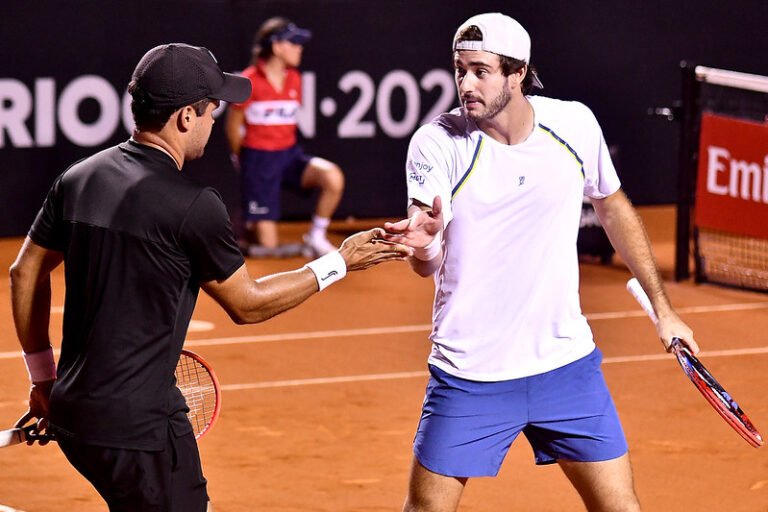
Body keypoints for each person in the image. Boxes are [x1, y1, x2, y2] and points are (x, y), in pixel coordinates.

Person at [9, 43, 410, 512]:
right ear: (185, 117)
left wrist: (43, 381)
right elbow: (248, 303)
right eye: (212, 108)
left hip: (74, 415)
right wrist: (338, 262)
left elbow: (24, 272)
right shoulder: (195, 205)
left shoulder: (79, 177)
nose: (216, 120)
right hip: (142, 429)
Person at [382, 13, 700, 512]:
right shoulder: (437, 141)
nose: (465, 83)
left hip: (565, 367)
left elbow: (613, 207)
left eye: (480, 71)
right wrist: (423, 244)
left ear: (517, 72)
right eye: (459, 69)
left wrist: (664, 308)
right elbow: (426, 260)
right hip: (471, 373)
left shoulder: (573, 124)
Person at [226, 17, 345, 259]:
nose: (300, 48)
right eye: (294, 43)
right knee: (266, 249)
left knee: (332, 177)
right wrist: (246, 160)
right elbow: (232, 127)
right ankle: (246, 229)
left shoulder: (295, 78)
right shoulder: (248, 81)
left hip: (290, 156)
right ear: (278, 46)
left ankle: (316, 237)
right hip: (259, 160)